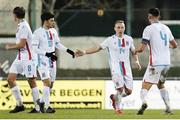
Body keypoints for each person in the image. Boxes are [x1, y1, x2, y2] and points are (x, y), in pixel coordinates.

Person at [75, 20, 141, 114]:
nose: (120, 29)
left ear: (124, 28)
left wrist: (137, 61)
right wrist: (84, 52)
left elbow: (133, 51)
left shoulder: (129, 39)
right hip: (115, 68)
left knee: (129, 91)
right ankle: (118, 108)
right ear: (114, 29)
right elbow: (98, 48)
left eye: (122, 27)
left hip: (127, 68)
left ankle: (114, 98)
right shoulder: (110, 40)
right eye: (118, 27)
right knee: (120, 88)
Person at [135, 8, 177, 115]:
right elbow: (174, 45)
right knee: (160, 84)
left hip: (156, 63)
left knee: (145, 85)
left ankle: (144, 102)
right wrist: (163, 47)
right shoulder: (166, 28)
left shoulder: (148, 29)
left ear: (149, 17)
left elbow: (141, 48)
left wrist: (134, 51)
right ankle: (168, 108)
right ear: (159, 16)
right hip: (167, 64)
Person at [32, 12, 75, 113]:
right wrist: (48, 54)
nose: (53, 22)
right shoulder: (37, 33)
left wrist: (69, 51)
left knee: (50, 85)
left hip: (52, 60)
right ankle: (47, 107)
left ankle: (41, 102)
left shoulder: (53, 31)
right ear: (45, 21)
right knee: (46, 83)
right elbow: (34, 49)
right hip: (42, 61)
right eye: (51, 20)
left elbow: (57, 44)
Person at [5, 6, 40, 113]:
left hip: (28, 58)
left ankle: (37, 107)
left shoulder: (24, 26)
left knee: (32, 82)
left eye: (13, 15)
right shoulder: (20, 25)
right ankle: (20, 105)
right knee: (10, 79)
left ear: (15, 16)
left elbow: (22, 44)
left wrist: (9, 47)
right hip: (20, 57)